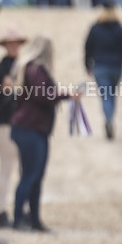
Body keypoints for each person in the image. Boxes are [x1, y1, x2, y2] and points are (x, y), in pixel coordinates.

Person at [10, 35, 77, 232]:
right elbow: (42, 96)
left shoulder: (26, 68)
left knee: (33, 175)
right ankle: (19, 218)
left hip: (30, 128)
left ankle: (32, 218)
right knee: (31, 175)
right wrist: (66, 95)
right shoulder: (36, 69)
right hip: (31, 128)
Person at [0, 26, 27, 228]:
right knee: (6, 166)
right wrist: (4, 90)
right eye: (9, 43)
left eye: (16, 43)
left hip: (23, 121)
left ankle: (24, 210)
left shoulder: (27, 66)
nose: (13, 46)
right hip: (5, 121)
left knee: (24, 167)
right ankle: (2, 210)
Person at [84, 4, 122, 140]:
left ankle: (108, 119)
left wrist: (87, 64)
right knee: (111, 94)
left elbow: (87, 47)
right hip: (116, 67)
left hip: (100, 66)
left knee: (105, 94)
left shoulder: (95, 28)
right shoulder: (120, 29)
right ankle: (110, 118)